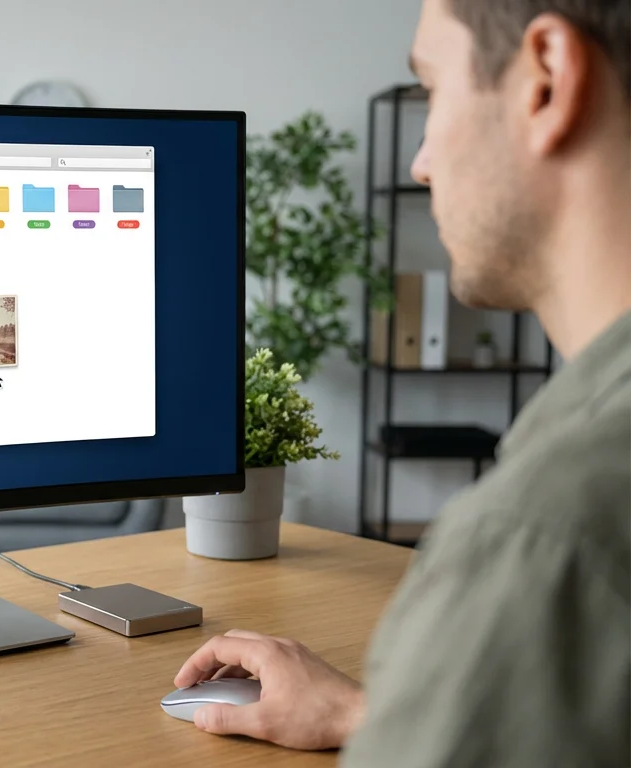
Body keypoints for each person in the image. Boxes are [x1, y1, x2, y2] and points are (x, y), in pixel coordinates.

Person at [173, 2, 631, 764]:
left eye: (431, 90)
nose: (420, 160)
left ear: (546, 81)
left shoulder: (550, 533)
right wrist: (381, 716)